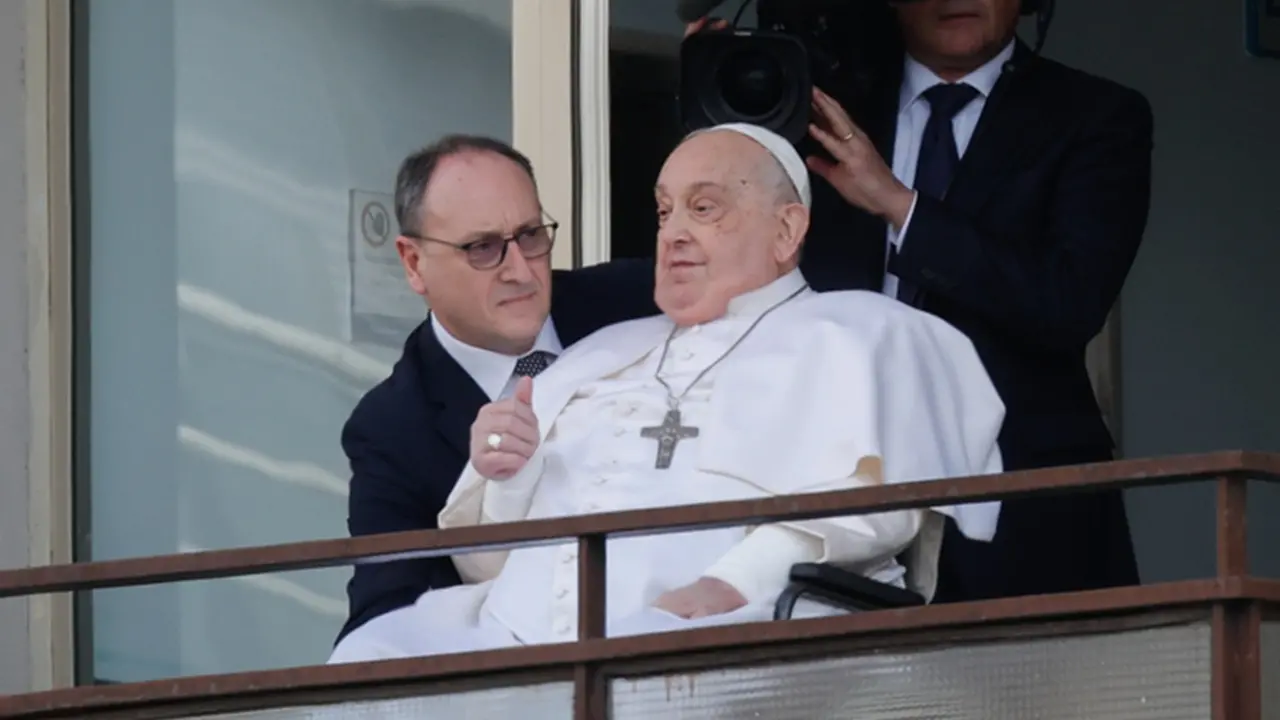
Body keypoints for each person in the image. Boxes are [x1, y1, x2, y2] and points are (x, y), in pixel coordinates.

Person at [326, 123, 1006, 663]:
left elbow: (882, 505)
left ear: (788, 230)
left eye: (705, 208)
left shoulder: (868, 336)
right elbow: (483, 563)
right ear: (415, 263)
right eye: (662, 211)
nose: (674, 232)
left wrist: (737, 581)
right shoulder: (604, 351)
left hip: (721, 635)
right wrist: (509, 476)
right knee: (371, 659)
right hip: (519, 643)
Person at [688, 0, 1151, 602]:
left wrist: (899, 206)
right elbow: (720, 260)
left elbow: (1068, 303)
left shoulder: (1096, 114)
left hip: (1023, 504)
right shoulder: (815, 103)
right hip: (828, 490)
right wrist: (716, 101)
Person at [337, 135, 658, 644]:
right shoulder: (392, 429)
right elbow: (387, 622)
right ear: (413, 263)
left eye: (530, 235)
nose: (520, 270)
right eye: (482, 248)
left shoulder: (632, 301)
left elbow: (780, 282)